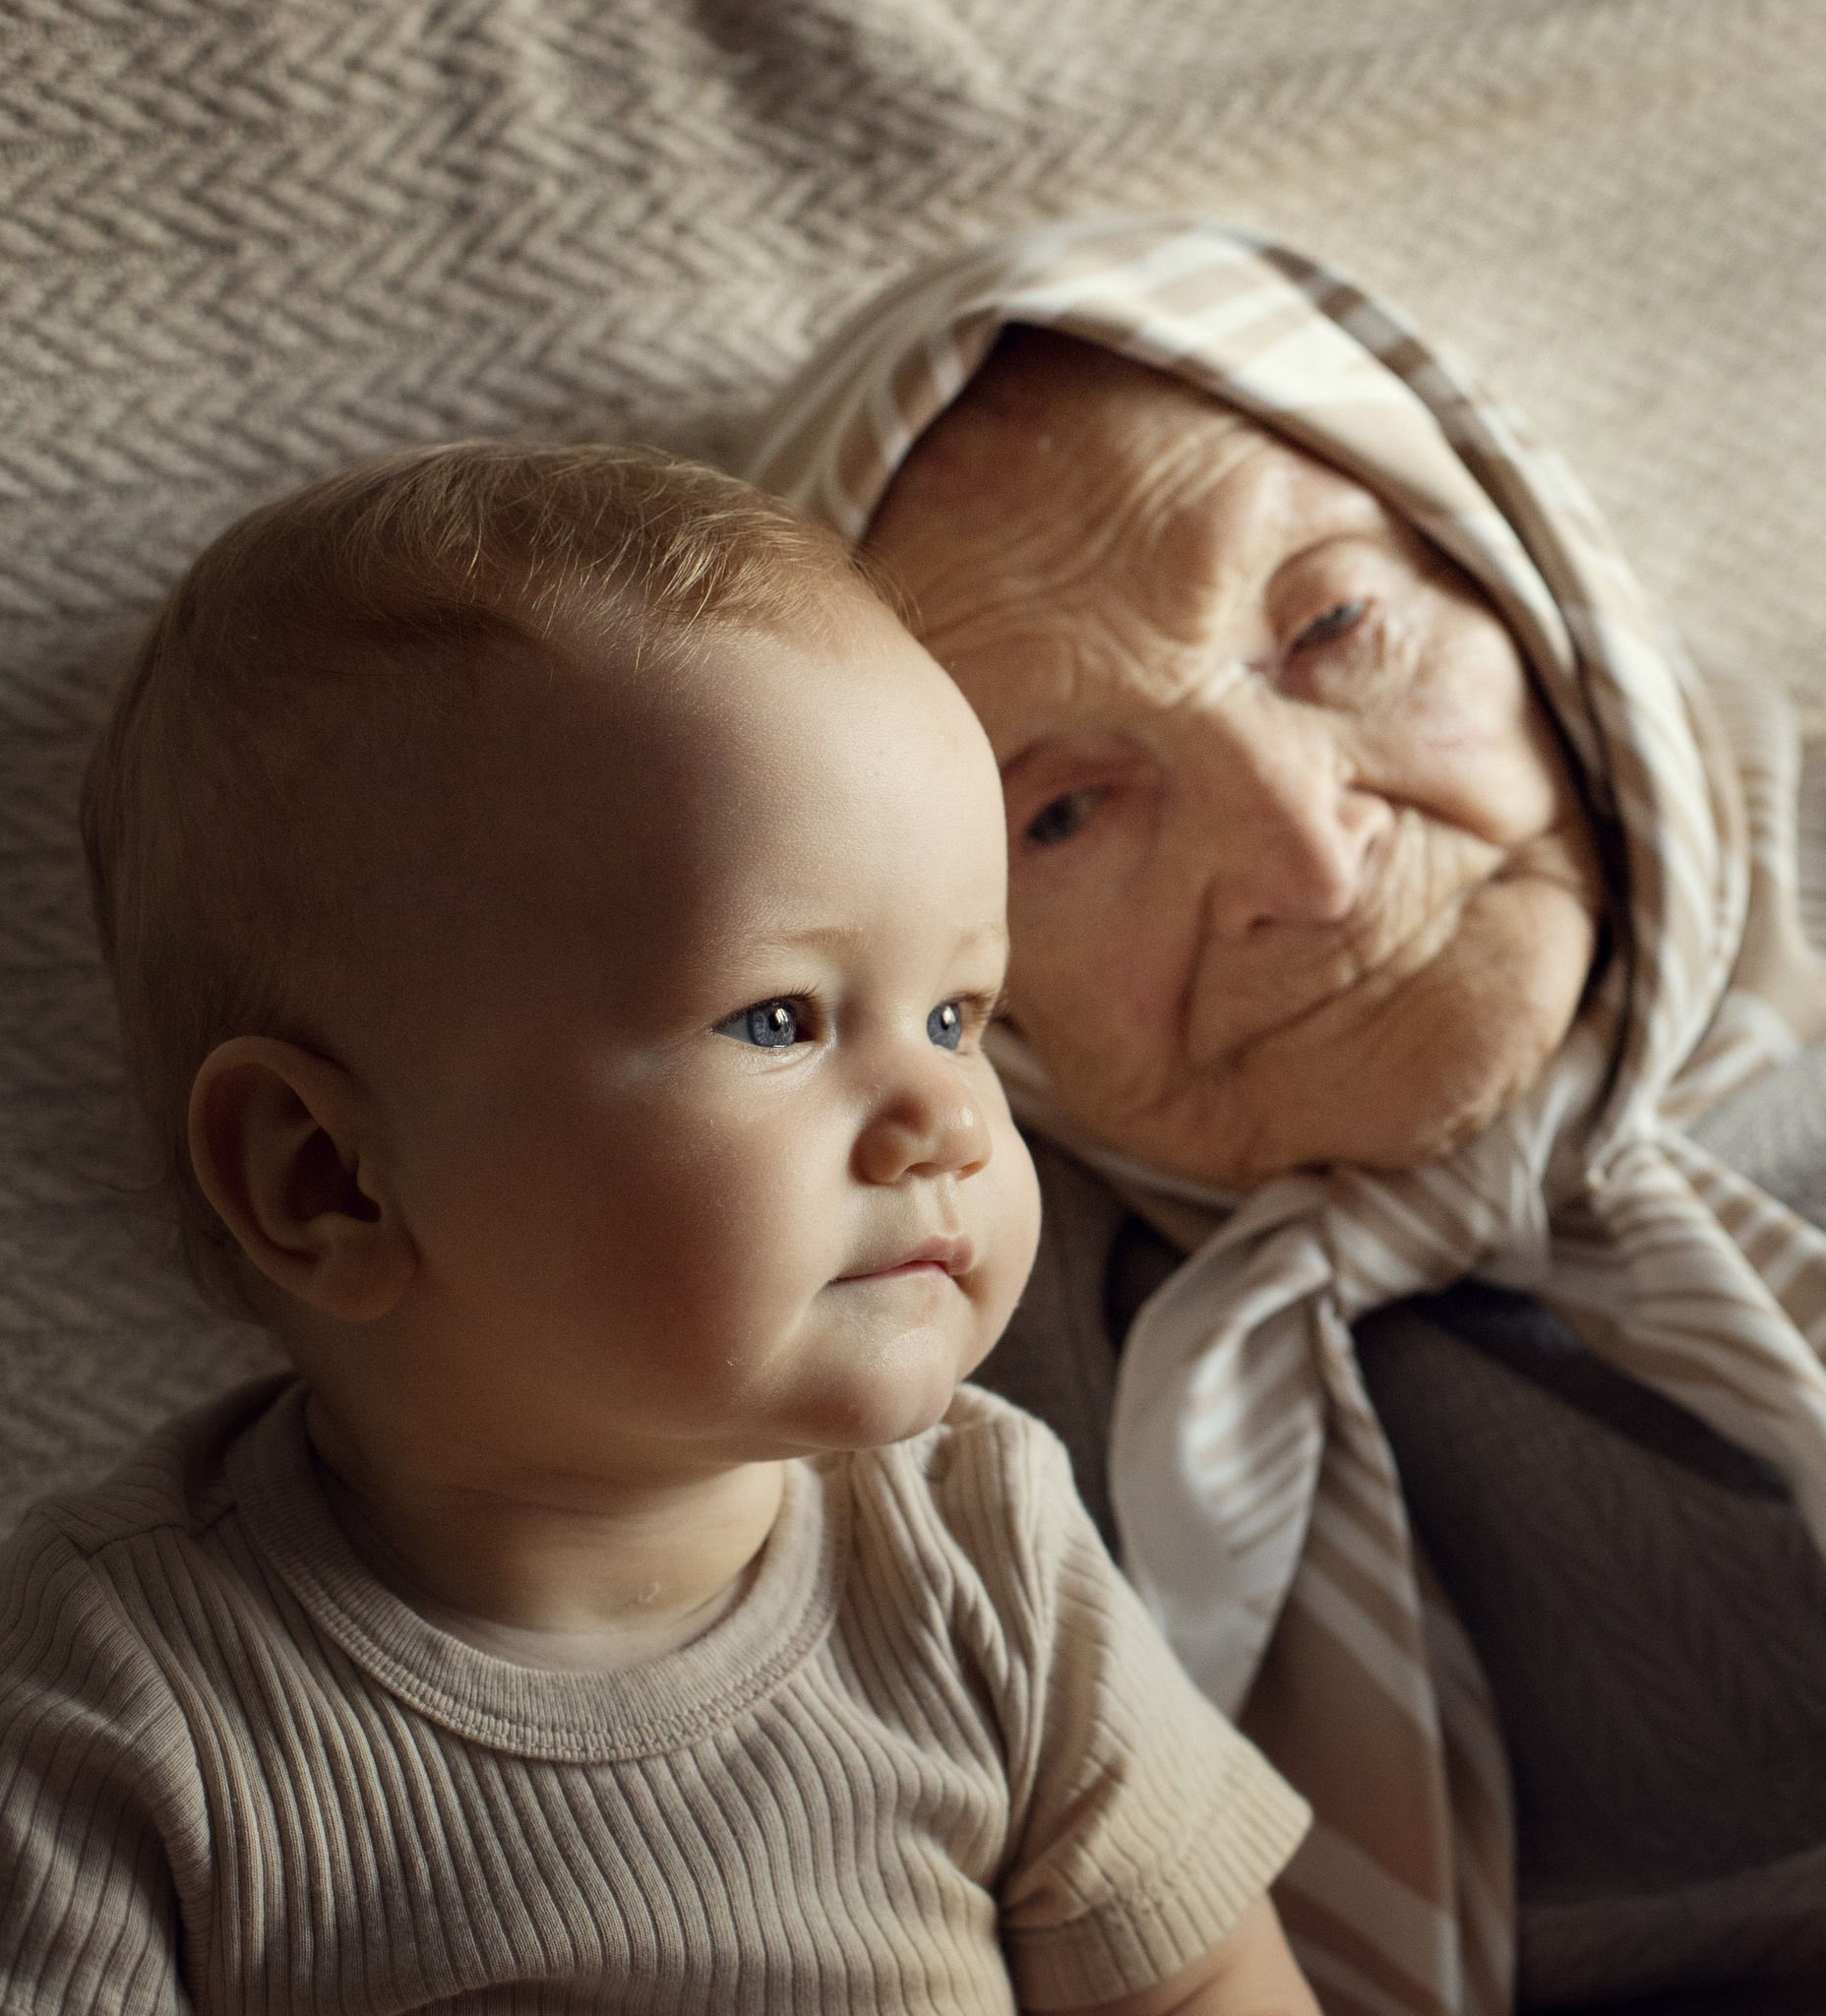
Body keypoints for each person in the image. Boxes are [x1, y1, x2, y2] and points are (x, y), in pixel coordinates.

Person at [746, 222, 1826, 2016]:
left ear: (1514, 580)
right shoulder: (964, 1358)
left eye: (1332, 626)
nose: (1307, 854)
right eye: (1060, 814)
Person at [0, 443, 1318, 2015]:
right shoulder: (118, 1687)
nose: (949, 1118)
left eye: (959, 1013)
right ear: (327, 1180)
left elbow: (1202, 1983)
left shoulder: (985, 1548)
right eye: (778, 1016)